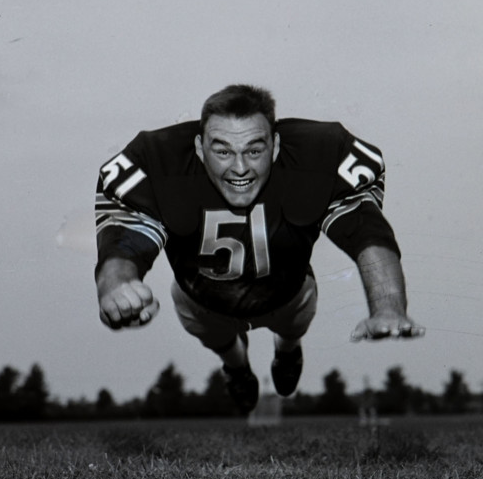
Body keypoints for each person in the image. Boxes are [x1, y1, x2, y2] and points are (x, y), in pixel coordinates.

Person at [94, 84, 425, 413]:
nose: (239, 168)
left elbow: (366, 231)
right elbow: (125, 239)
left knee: (293, 326)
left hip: (288, 292)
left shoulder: (316, 154)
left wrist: (388, 307)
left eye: (254, 150)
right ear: (198, 147)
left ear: (276, 146)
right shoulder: (159, 160)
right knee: (221, 341)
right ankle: (236, 369)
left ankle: (288, 350)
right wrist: (116, 285)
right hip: (200, 297)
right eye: (222, 151)